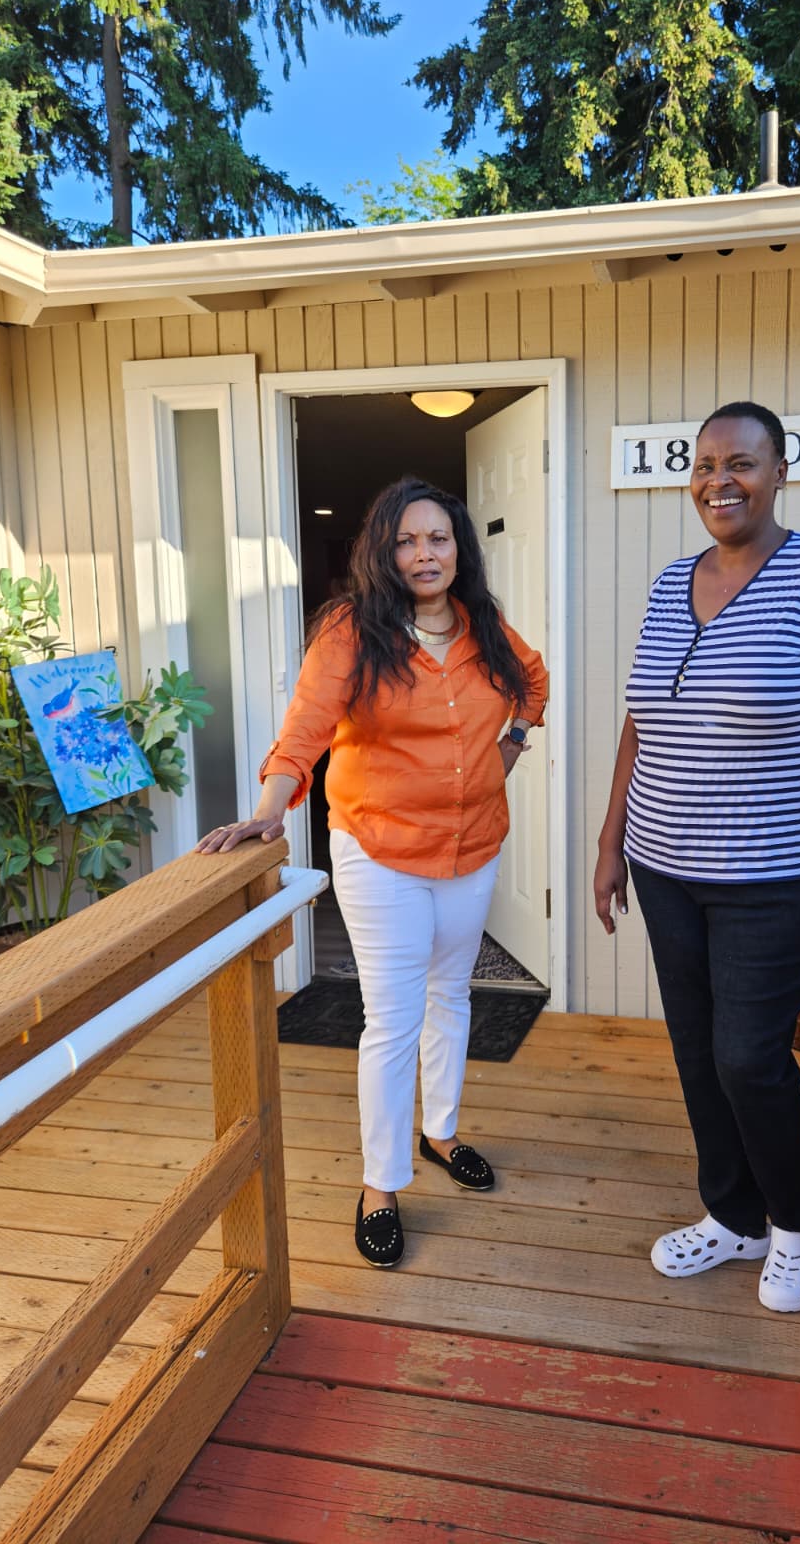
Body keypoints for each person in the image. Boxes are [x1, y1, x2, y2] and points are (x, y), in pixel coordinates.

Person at [593, 402, 800, 1314]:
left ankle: (796, 1222)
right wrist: (611, 843)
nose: (720, 481)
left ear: (780, 472)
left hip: (777, 879)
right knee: (698, 1053)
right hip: (665, 869)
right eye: (705, 466)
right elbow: (641, 724)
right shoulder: (672, 583)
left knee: (748, 1057)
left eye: (741, 463)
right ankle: (734, 1215)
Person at [199, 476, 547, 1270]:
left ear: (458, 549)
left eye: (438, 539)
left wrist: (513, 743)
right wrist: (269, 810)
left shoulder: (483, 624)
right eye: (406, 541)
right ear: (382, 552)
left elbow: (534, 681)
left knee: (451, 994)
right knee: (392, 1019)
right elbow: (304, 733)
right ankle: (380, 1186)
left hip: (472, 844)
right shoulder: (351, 630)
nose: (424, 554)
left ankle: (441, 1133)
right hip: (379, 848)